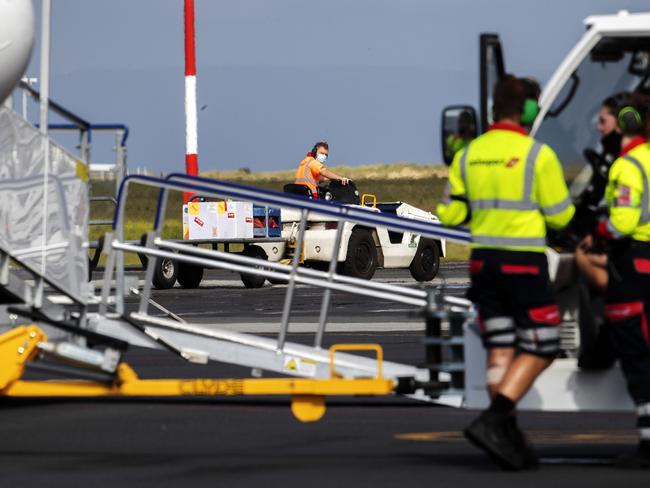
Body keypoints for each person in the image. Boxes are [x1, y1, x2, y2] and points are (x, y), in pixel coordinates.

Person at [436, 75, 575, 470]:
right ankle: (496, 419)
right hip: (523, 263)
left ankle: (506, 434)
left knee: (500, 347)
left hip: (483, 264)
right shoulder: (536, 154)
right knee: (544, 343)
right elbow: (561, 214)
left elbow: (452, 214)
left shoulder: (467, 155)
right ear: (529, 110)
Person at [594, 92, 650, 469]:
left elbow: (625, 222)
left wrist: (599, 229)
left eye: (604, 120)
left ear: (626, 121)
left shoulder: (628, 165)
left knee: (638, 354)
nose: (600, 128)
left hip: (636, 266)